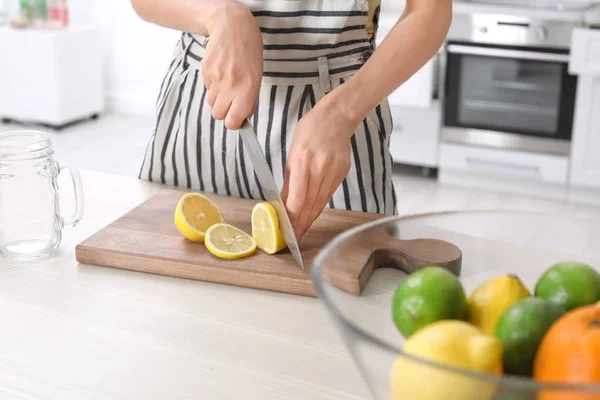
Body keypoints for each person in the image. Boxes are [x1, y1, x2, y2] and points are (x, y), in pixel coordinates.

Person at [132, 0, 452, 241]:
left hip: (337, 116)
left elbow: (430, 11)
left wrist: (343, 112)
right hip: (206, 94)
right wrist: (219, 14)